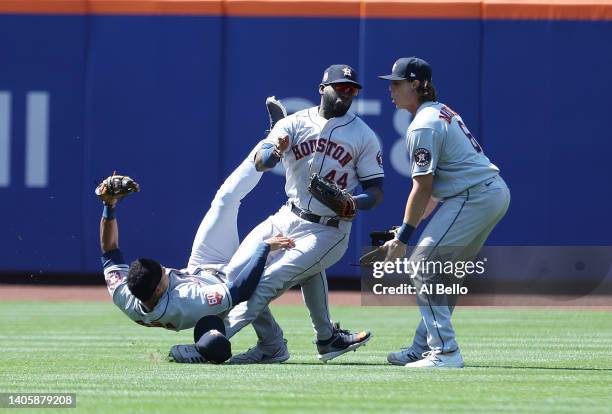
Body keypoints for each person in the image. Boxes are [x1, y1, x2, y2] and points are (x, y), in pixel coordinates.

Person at [223, 64, 385, 363]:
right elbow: (261, 162)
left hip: (329, 230)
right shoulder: (295, 123)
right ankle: (312, 340)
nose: (347, 93)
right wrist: (273, 151)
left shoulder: (363, 135)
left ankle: (215, 338)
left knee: (268, 280)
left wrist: (355, 202)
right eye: (341, 87)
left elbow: (376, 192)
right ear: (322, 88)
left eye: (352, 89)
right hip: (288, 217)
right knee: (234, 273)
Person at [98, 99, 294, 337]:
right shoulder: (185, 302)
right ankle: (277, 344)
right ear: (159, 289)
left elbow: (109, 251)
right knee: (288, 250)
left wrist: (109, 206)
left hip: (202, 268)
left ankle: (272, 139)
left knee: (225, 199)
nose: (166, 269)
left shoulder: (126, 293)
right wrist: (264, 250)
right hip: (227, 288)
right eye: (162, 273)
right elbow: (239, 290)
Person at [377, 57, 510, 368]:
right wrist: (404, 230)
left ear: (416, 85)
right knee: (445, 275)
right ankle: (422, 347)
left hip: (474, 196)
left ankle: (446, 352)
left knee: (422, 265)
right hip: (488, 193)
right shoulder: (438, 111)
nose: (391, 89)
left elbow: (422, 189)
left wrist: (404, 240)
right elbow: (434, 192)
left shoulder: (423, 124)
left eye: (397, 82)